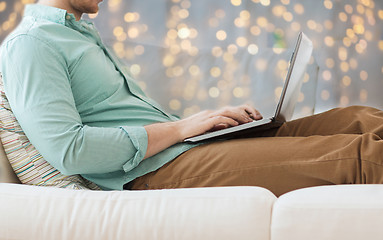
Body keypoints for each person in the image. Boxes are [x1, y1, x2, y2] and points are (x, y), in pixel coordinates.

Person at [0, 0, 382, 197]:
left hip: (180, 151)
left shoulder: (79, 33)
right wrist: (183, 128)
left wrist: (207, 122)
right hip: (151, 174)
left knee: (358, 118)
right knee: (360, 156)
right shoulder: (32, 44)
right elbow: (70, 150)